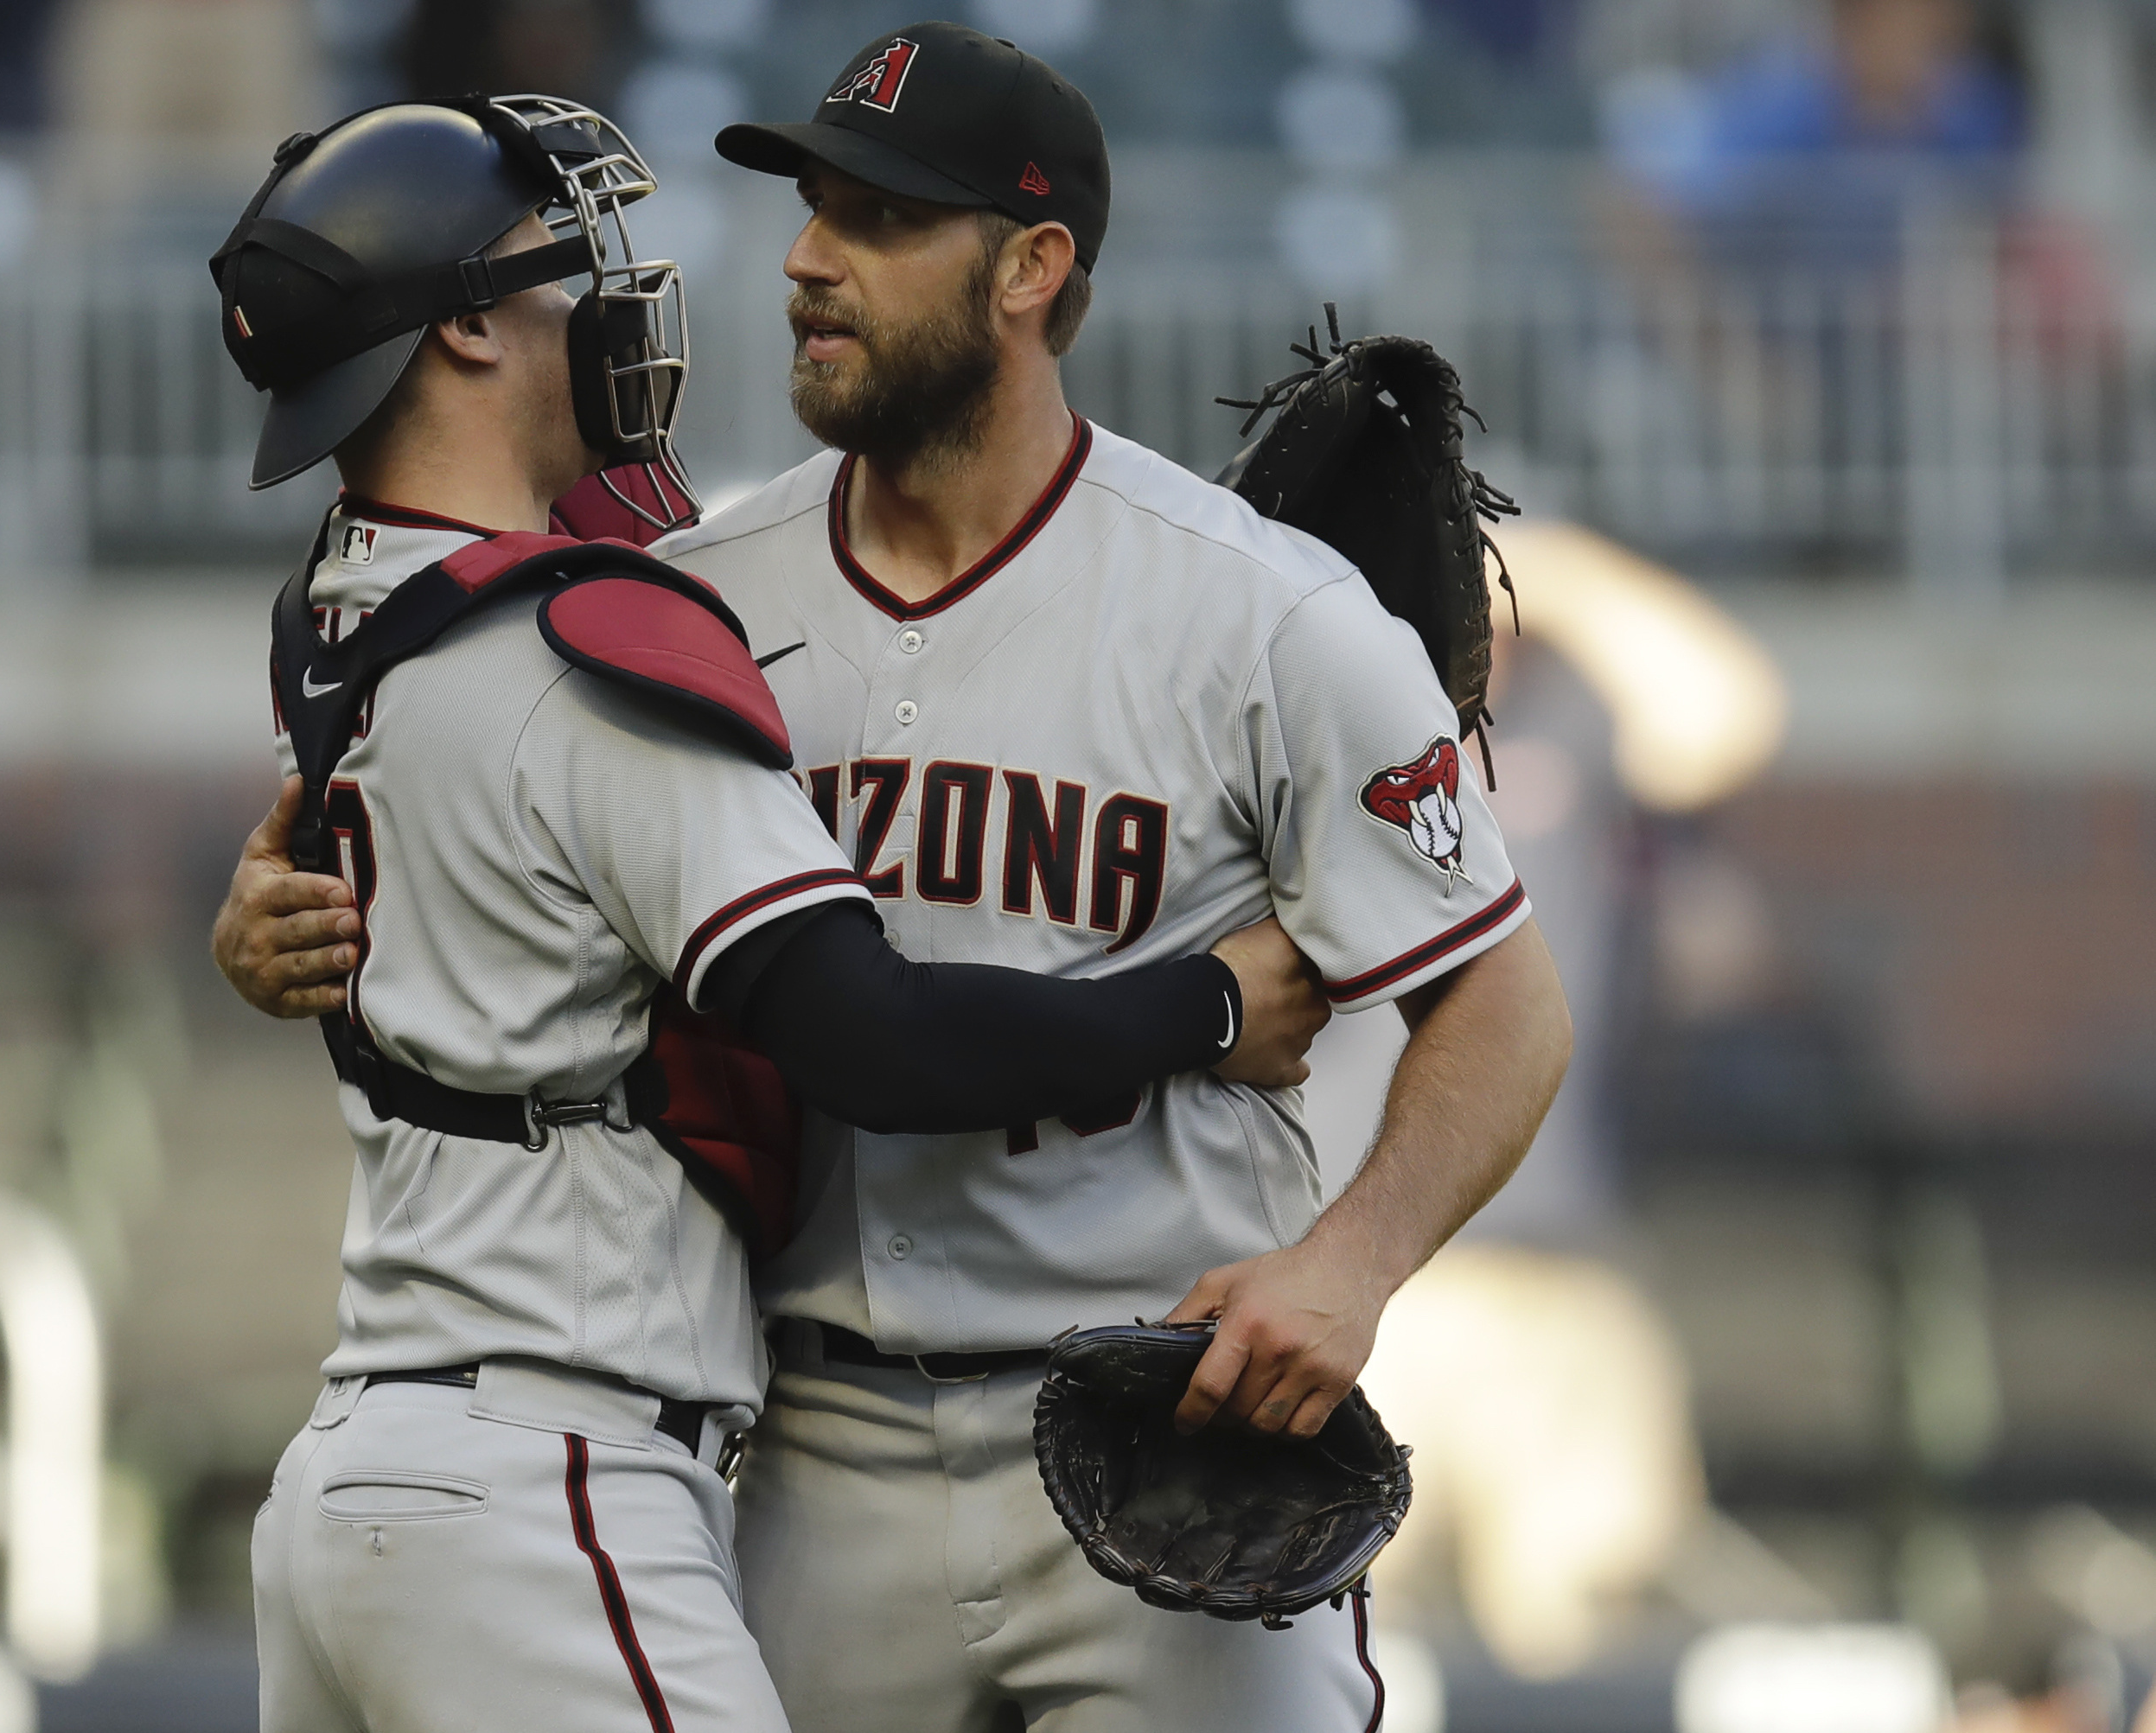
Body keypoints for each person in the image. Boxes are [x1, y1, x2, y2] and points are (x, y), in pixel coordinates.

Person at [216, 28, 1573, 1731]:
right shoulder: (687, 595)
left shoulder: (1259, 615)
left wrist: (1353, 1263)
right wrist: (276, 907)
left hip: (1158, 1432)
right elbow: (450, 750)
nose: (803, 259)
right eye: (807, 207)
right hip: (808, 1446)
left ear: (1032, 267)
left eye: (872, 217)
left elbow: (1504, 1002)